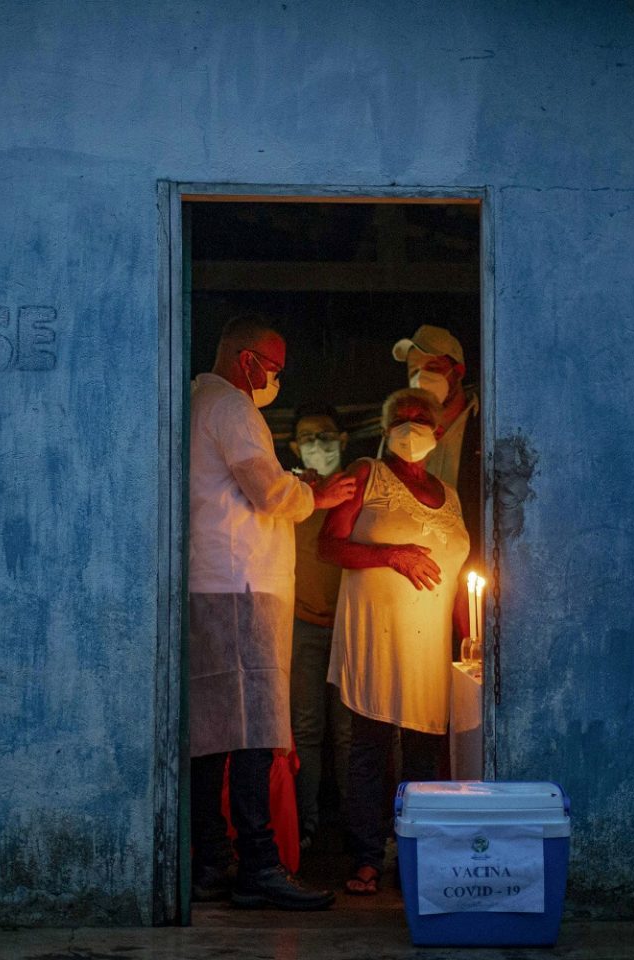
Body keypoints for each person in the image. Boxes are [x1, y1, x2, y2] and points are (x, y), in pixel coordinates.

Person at [187, 315, 356, 911]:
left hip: (210, 583)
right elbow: (268, 491)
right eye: (275, 369)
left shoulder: (195, 401)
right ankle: (259, 865)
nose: (276, 380)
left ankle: (210, 860)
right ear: (248, 361)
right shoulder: (234, 407)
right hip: (243, 586)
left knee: (209, 733)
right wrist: (319, 494)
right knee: (256, 729)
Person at [319, 388, 471, 895]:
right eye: (398, 419)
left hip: (430, 644)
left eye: (420, 417)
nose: (409, 426)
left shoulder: (451, 495)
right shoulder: (368, 474)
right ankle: (365, 856)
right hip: (377, 635)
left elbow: (454, 576)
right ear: (385, 432)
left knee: (425, 752)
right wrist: (392, 555)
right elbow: (329, 544)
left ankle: (417, 856)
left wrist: (468, 637)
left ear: (439, 430)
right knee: (370, 745)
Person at [286, 403, 353, 850]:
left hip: (352, 626)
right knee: (306, 729)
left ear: (343, 441)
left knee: (350, 733)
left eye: (326, 435)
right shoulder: (289, 492)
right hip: (302, 623)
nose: (318, 445)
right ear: (293, 447)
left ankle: (357, 826)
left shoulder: (360, 488)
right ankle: (304, 826)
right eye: (308, 438)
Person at [392, 324, 481, 581]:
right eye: (414, 371)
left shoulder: (486, 426)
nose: (421, 379)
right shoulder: (401, 432)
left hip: (470, 573)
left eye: (432, 369)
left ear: (458, 371)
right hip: (416, 574)